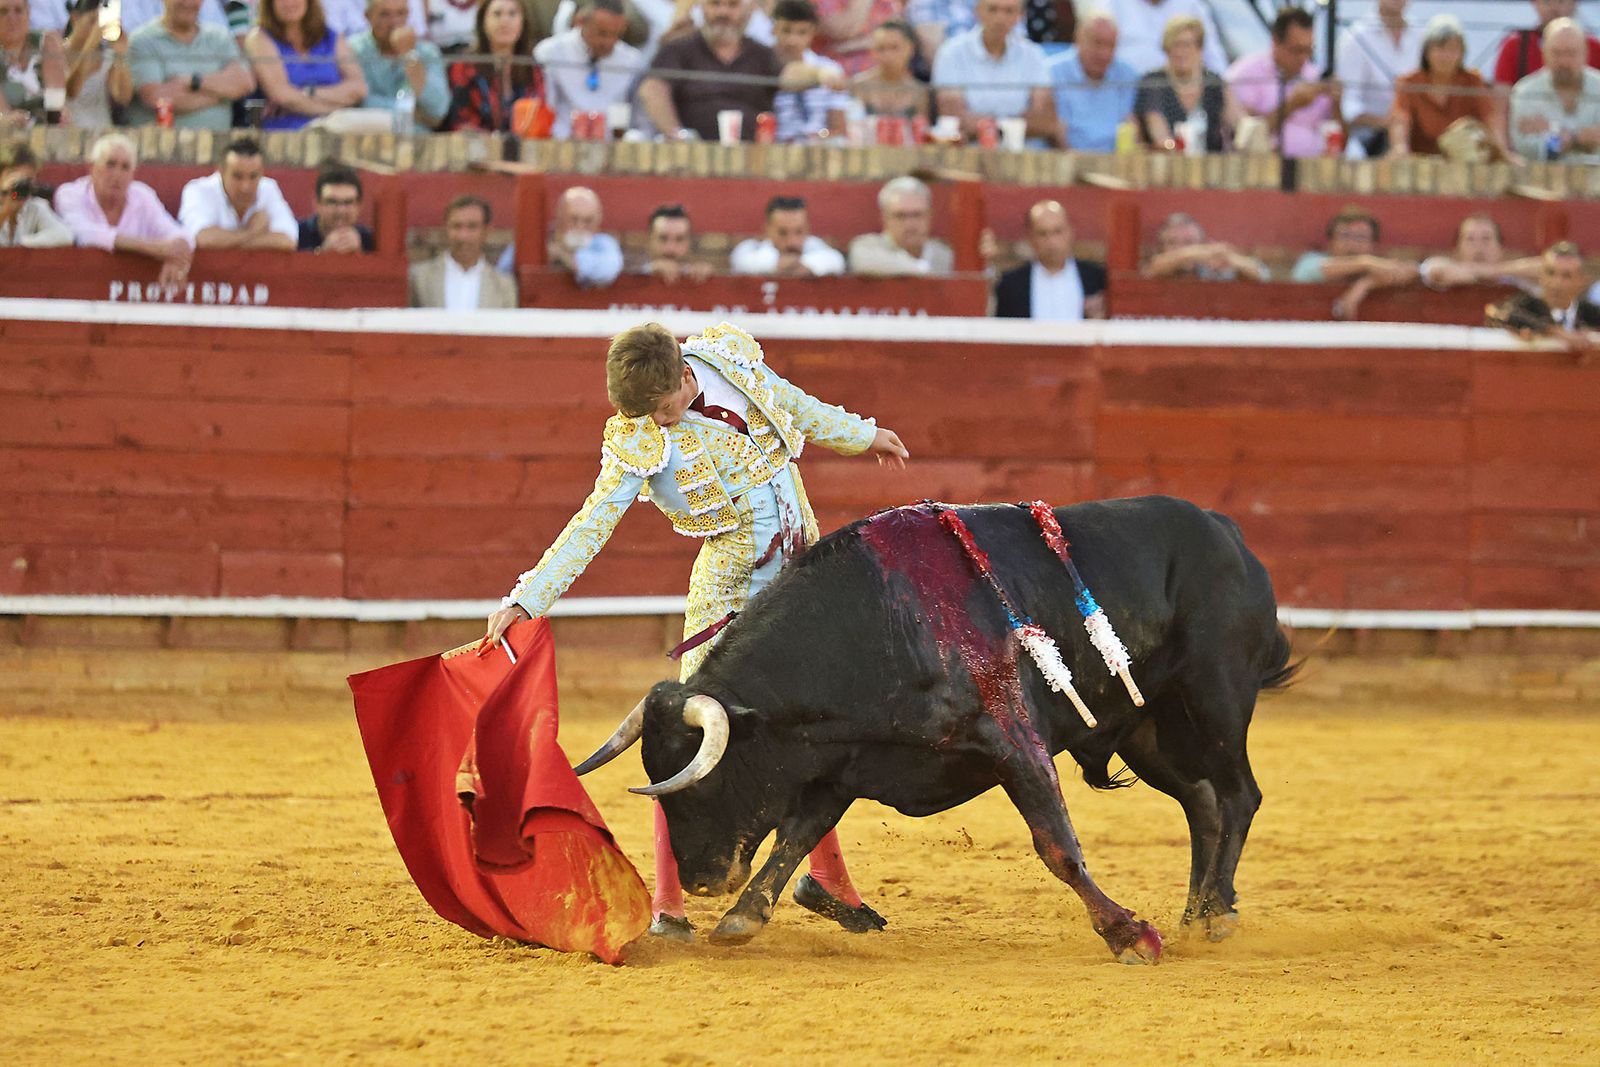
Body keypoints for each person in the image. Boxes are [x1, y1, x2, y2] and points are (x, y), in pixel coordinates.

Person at [477, 319, 909, 940]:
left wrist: (863, 436)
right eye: (649, 416)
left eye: (666, 409)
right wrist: (526, 599)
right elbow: (591, 524)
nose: (660, 424)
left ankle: (829, 880)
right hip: (728, 583)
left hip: (801, 568)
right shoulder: (638, 438)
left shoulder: (726, 357)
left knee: (816, 722)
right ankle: (668, 903)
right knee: (685, 735)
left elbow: (792, 403)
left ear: (684, 374)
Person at [639, 0, 844, 142]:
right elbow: (653, 90)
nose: (723, 13)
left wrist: (819, 74)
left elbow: (790, 75)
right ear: (702, 8)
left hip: (751, 156)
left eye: (732, 4)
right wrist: (678, 137)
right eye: (715, 4)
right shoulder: (679, 48)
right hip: (692, 155)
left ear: (750, 9)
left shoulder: (760, 53)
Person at [53, 131, 193, 285]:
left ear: (133, 174)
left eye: (125, 167)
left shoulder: (141, 195)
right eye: (110, 165)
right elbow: (83, 234)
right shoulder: (69, 194)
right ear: (92, 168)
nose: (117, 175)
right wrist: (154, 249)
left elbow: (180, 234)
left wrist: (175, 258)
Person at [930, 0, 1061, 147]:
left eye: (1009, 11)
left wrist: (984, 125)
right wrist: (1014, 126)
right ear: (978, 11)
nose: (1000, 18)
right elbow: (954, 120)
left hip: (1025, 158)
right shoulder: (951, 53)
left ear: (1020, 15)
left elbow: (1046, 122)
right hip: (968, 157)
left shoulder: (1033, 54)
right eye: (993, 9)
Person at [1226, 7, 1340, 160]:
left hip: (1315, 172)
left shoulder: (1316, 76)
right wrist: (1291, 105)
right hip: (1262, 171)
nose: (1303, 58)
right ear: (1275, 42)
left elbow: (1341, 139)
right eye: (1296, 50)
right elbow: (1244, 138)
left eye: (1308, 50)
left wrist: (1338, 104)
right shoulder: (1246, 74)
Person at [1389, 14, 1506, 159]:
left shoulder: (1472, 81)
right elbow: (1400, 119)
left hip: (1465, 162)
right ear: (1426, 52)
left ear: (1462, 53)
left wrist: (1503, 152)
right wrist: (1400, 148)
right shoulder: (1409, 83)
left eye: (1452, 49)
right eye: (1439, 49)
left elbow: (1490, 118)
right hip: (1420, 163)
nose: (1445, 56)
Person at [127, 0, 255, 129]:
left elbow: (245, 83)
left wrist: (192, 81)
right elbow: (156, 98)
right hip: (162, 144)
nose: (187, 3)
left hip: (220, 144)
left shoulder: (220, 37)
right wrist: (221, 96)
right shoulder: (142, 41)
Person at [244, 0, 367, 131]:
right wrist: (336, 111)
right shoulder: (259, 38)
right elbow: (281, 95)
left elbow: (358, 88)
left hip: (337, 130)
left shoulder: (332, 37)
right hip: (283, 133)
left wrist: (309, 92)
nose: (289, 3)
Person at [533, 0, 642, 139]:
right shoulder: (549, 53)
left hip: (612, 148)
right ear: (581, 21)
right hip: (560, 145)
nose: (609, 42)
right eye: (602, 33)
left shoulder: (632, 61)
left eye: (617, 34)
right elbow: (546, 108)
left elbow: (640, 123)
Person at [1289, 204, 1416, 320]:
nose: (1352, 244)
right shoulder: (1311, 261)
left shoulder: (1375, 267)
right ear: (1331, 242)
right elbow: (1305, 271)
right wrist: (1364, 262)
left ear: (1373, 245)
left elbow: (1415, 270)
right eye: (1344, 236)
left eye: (1361, 237)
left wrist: (1364, 285)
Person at [1134, 14, 1238, 152]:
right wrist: (1171, 147)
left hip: (1212, 166)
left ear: (1199, 49)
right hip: (1167, 165)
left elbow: (1239, 124)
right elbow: (1157, 130)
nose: (1181, 52)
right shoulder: (1154, 82)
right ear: (1167, 49)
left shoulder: (1214, 83)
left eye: (1187, 45)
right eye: (1176, 45)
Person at [1333, 0, 1423, 158]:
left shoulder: (1421, 35)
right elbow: (1349, 102)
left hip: (1416, 137)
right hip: (1369, 141)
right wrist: (1385, 122)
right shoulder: (1355, 37)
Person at [178, 136, 299, 250]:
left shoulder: (269, 188)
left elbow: (287, 240)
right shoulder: (198, 190)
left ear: (262, 173)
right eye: (237, 176)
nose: (245, 187)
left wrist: (226, 242)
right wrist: (252, 232)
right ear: (221, 172)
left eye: (253, 176)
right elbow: (202, 239)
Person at [994, 199, 1106, 321]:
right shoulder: (1011, 285)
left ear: (1070, 232)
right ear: (1030, 238)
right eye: (1043, 234)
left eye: (1058, 232)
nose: (1052, 242)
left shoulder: (1098, 279)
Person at [443, 0, 545, 132]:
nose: (505, 21)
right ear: (483, 21)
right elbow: (459, 121)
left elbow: (539, 116)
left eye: (512, 14)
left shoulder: (532, 68)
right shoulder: (463, 66)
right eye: (497, 14)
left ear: (523, 22)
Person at [1510, 17, 1600, 163]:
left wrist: (1552, 130)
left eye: (1571, 53)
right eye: (1556, 53)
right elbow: (1525, 148)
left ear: (1585, 53)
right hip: (1541, 182)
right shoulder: (1525, 92)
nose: (1564, 61)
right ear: (1544, 53)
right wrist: (1582, 138)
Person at [1488, 240, 1600, 356]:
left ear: (1582, 281)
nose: (1556, 283)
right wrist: (1555, 332)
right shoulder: (1526, 304)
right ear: (1541, 275)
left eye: (1566, 276)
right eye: (1550, 273)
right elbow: (1498, 312)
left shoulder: (1589, 312)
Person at [349, 0, 449, 128]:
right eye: (384, 14)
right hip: (364, 136)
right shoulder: (353, 50)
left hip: (418, 140)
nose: (394, 22)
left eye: (400, 13)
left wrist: (409, 55)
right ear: (368, 16)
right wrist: (413, 114)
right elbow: (356, 102)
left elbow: (438, 110)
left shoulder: (427, 52)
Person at [408, 193, 517, 309]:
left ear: (487, 231)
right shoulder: (419, 277)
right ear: (447, 228)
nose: (463, 236)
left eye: (472, 227)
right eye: (456, 226)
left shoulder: (504, 285)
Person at [1048, 10, 1135, 153]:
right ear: (1078, 40)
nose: (1104, 53)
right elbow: (1055, 131)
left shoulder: (1127, 74)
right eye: (1097, 43)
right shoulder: (1052, 73)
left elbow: (1130, 126)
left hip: (1116, 163)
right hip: (1065, 161)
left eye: (1110, 45)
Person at [771, 0, 848, 142]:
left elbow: (839, 130)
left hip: (820, 149)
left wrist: (816, 139)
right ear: (774, 29)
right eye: (786, 30)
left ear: (813, 32)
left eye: (802, 32)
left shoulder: (831, 69)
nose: (792, 40)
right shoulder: (762, 64)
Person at [847, 174, 951, 276]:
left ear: (929, 216)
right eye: (900, 216)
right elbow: (864, 262)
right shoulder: (867, 248)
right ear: (885, 219)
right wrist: (922, 270)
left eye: (917, 215)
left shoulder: (943, 255)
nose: (910, 224)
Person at [1491, 0, 1600, 89]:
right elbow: (1500, 107)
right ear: (1535, 3)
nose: (1554, 8)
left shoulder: (1595, 47)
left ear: (1575, 3)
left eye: (1561, 1)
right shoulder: (1514, 46)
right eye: (1547, 1)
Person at [729, 194, 845, 276]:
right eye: (782, 233)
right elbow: (741, 260)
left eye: (799, 232)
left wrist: (807, 265)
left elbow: (837, 261)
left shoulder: (814, 246)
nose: (792, 242)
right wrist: (778, 264)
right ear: (767, 230)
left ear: (808, 229)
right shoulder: (753, 248)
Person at [1100, 0, 1223, 77]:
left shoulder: (1192, 5)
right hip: (1127, 97)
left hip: (1179, 95)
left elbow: (1214, 59)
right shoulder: (1114, 4)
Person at [1418, 213, 1538, 291]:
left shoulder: (1516, 277)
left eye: (1486, 239)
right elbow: (1434, 269)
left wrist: (1492, 271)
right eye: (1470, 239)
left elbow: (1547, 266)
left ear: (1500, 248)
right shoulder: (1447, 268)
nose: (1478, 247)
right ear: (1458, 249)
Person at [1141, 211, 1268, 282]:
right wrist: (1191, 253)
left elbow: (1263, 276)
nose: (1180, 248)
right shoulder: (1157, 265)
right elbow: (1150, 271)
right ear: (1161, 247)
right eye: (1172, 242)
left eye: (1189, 242)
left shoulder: (1209, 265)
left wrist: (1228, 259)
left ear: (1201, 244)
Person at [536, 184, 623, 287]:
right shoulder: (540, 240)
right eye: (573, 219)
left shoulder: (602, 243)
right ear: (560, 218)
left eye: (588, 221)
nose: (580, 227)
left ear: (597, 223)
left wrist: (563, 255)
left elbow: (608, 269)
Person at [62, 0, 131, 127]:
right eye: (92, 21)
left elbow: (122, 98)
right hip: (69, 131)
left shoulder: (107, 57)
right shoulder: (58, 53)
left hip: (102, 130)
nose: (97, 28)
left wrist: (120, 55)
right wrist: (90, 45)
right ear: (75, 18)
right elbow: (71, 91)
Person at [1, 0, 65, 127]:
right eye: (3, 12)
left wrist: (58, 117)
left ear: (28, 13)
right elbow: (3, 113)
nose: (11, 18)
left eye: (18, 11)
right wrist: (6, 119)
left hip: (47, 132)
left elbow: (56, 102)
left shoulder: (46, 42)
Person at [850, 18, 925, 120]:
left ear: (910, 49)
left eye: (894, 48)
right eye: (881, 48)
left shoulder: (919, 92)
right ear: (872, 51)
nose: (887, 55)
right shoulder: (858, 85)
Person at [0, 140, 72, 246]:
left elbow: (65, 236)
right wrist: (5, 211)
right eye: (14, 177)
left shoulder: (35, 206)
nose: (20, 183)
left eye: (27, 179)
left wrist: (22, 243)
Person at [811, 0, 903, 77]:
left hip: (883, 78)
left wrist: (857, 44)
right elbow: (840, 29)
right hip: (834, 79)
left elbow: (899, 37)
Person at [297, 162, 374, 252]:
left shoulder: (370, 241)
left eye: (348, 202)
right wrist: (321, 253)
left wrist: (360, 254)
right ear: (316, 205)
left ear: (359, 206)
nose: (340, 211)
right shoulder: (295, 235)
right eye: (332, 202)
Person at [636, 202, 711, 282]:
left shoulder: (695, 272)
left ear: (689, 242)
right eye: (663, 238)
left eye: (679, 239)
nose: (670, 248)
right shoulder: (634, 273)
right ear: (649, 240)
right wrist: (650, 269)